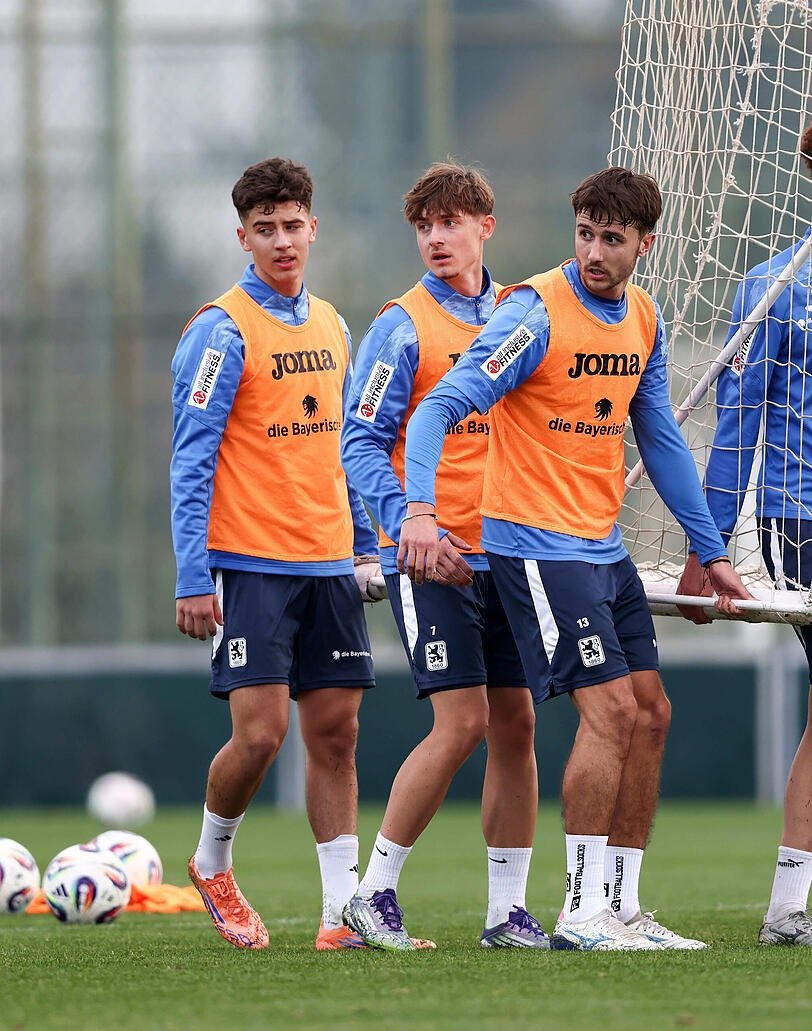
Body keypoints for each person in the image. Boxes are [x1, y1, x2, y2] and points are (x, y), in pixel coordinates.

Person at [398, 166, 752, 951]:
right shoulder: (534, 313)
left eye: (611, 239)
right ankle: (579, 911)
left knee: (651, 711)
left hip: (601, 546)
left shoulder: (644, 318)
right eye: (585, 234)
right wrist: (418, 512)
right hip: (533, 544)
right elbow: (437, 410)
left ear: (644, 244)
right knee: (612, 711)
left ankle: (621, 906)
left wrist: (711, 549)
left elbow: (659, 438)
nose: (593, 252)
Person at [170, 158, 381, 951]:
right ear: (244, 238)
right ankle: (212, 861)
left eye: (294, 225)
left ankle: (340, 916)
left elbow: (345, 447)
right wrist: (193, 574)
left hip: (329, 563)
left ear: (313, 228)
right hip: (251, 563)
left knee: (337, 734)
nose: (282, 240)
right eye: (266, 229)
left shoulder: (332, 324)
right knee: (260, 736)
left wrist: (365, 545)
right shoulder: (220, 330)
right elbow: (191, 460)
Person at [339, 163, 548, 950]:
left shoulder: (520, 314)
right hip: (429, 557)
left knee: (516, 722)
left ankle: (506, 912)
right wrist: (408, 526)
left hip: (509, 553)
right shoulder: (403, 325)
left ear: (485, 227)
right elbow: (360, 440)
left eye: (451, 222)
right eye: (424, 225)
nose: (435, 237)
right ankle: (373, 893)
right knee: (462, 722)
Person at [677, 126, 812, 948]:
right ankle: (787, 907)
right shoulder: (773, 286)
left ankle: (787, 908)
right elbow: (738, 422)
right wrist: (711, 544)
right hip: (801, 515)